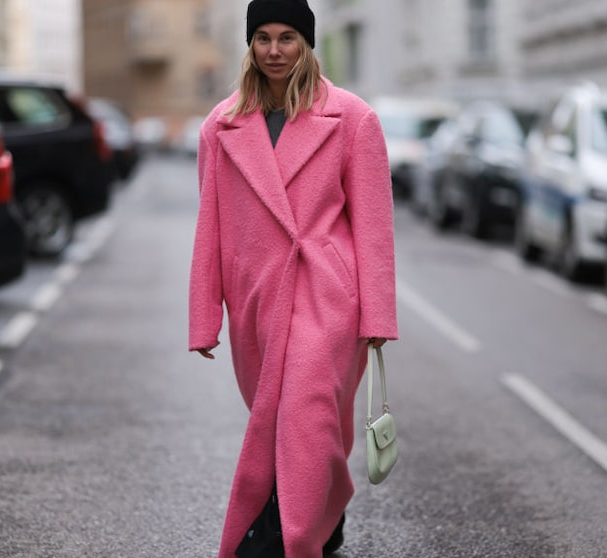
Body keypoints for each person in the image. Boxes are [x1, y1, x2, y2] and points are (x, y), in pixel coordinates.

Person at [188, 0, 398, 556]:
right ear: (249, 44)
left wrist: (377, 315)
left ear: (307, 43)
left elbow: (373, 228)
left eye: (287, 38)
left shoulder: (353, 118)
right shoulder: (221, 124)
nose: (275, 50)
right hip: (256, 297)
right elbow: (209, 223)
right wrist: (205, 317)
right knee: (281, 419)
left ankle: (282, 538)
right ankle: (326, 510)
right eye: (262, 37)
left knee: (306, 414)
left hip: (327, 295)